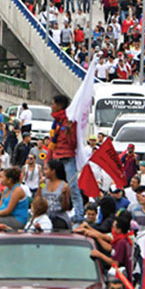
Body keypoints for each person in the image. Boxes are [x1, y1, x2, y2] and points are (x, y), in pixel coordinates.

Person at [47, 95, 83, 224]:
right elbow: (52, 143)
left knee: (73, 187)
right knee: (49, 186)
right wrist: (47, 160)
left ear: (60, 105)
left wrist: (69, 132)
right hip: (56, 159)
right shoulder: (56, 122)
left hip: (67, 158)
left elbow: (74, 144)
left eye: (53, 104)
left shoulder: (70, 121)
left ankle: (79, 215)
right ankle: (50, 212)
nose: (51, 106)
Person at [36, 159, 71, 229]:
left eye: (46, 169)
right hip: (44, 216)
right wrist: (40, 186)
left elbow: (66, 207)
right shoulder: (44, 183)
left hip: (59, 217)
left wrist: (64, 196)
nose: (44, 172)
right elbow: (37, 199)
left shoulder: (64, 186)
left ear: (53, 171)